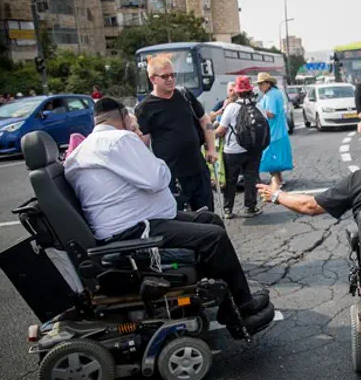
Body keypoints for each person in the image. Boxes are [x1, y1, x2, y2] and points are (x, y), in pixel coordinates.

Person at [64, 98, 270, 325]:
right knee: (214, 237)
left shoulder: (82, 149)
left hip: (132, 223)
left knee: (209, 219)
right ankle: (240, 309)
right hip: (133, 229)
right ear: (124, 117)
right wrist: (136, 137)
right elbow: (157, 179)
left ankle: (225, 296)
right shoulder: (119, 139)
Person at [136, 55, 218, 212]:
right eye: (164, 76)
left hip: (198, 169)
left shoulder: (184, 95)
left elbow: (205, 121)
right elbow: (143, 143)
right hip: (172, 176)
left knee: (208, 216)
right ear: (153, 79)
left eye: (173, 75)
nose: (170, 79)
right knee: (182, 221)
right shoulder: (145, 108)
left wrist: (211, 148)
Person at [215, 77, 263, 219]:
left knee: (231, 180)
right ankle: (250, 207)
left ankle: (228, 210)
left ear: (237, 92)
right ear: (250, 91)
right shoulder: (257, 106)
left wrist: (211, 135)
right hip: (253, 150)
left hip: (233, 151)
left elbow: (221, 130)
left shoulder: (231, 107)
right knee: (250, 178)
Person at [256, 72, 293, 190]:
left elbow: (271, 114)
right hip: (280, 130)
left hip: (273, 132)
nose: (259, 87)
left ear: (268, 83)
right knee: (276, 156)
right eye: (258, 84)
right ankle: (279, 179)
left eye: (261, 84)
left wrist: (258, 109)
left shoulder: (270, 96)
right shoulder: (276, 93)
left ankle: (276, 181)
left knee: (270, 157)